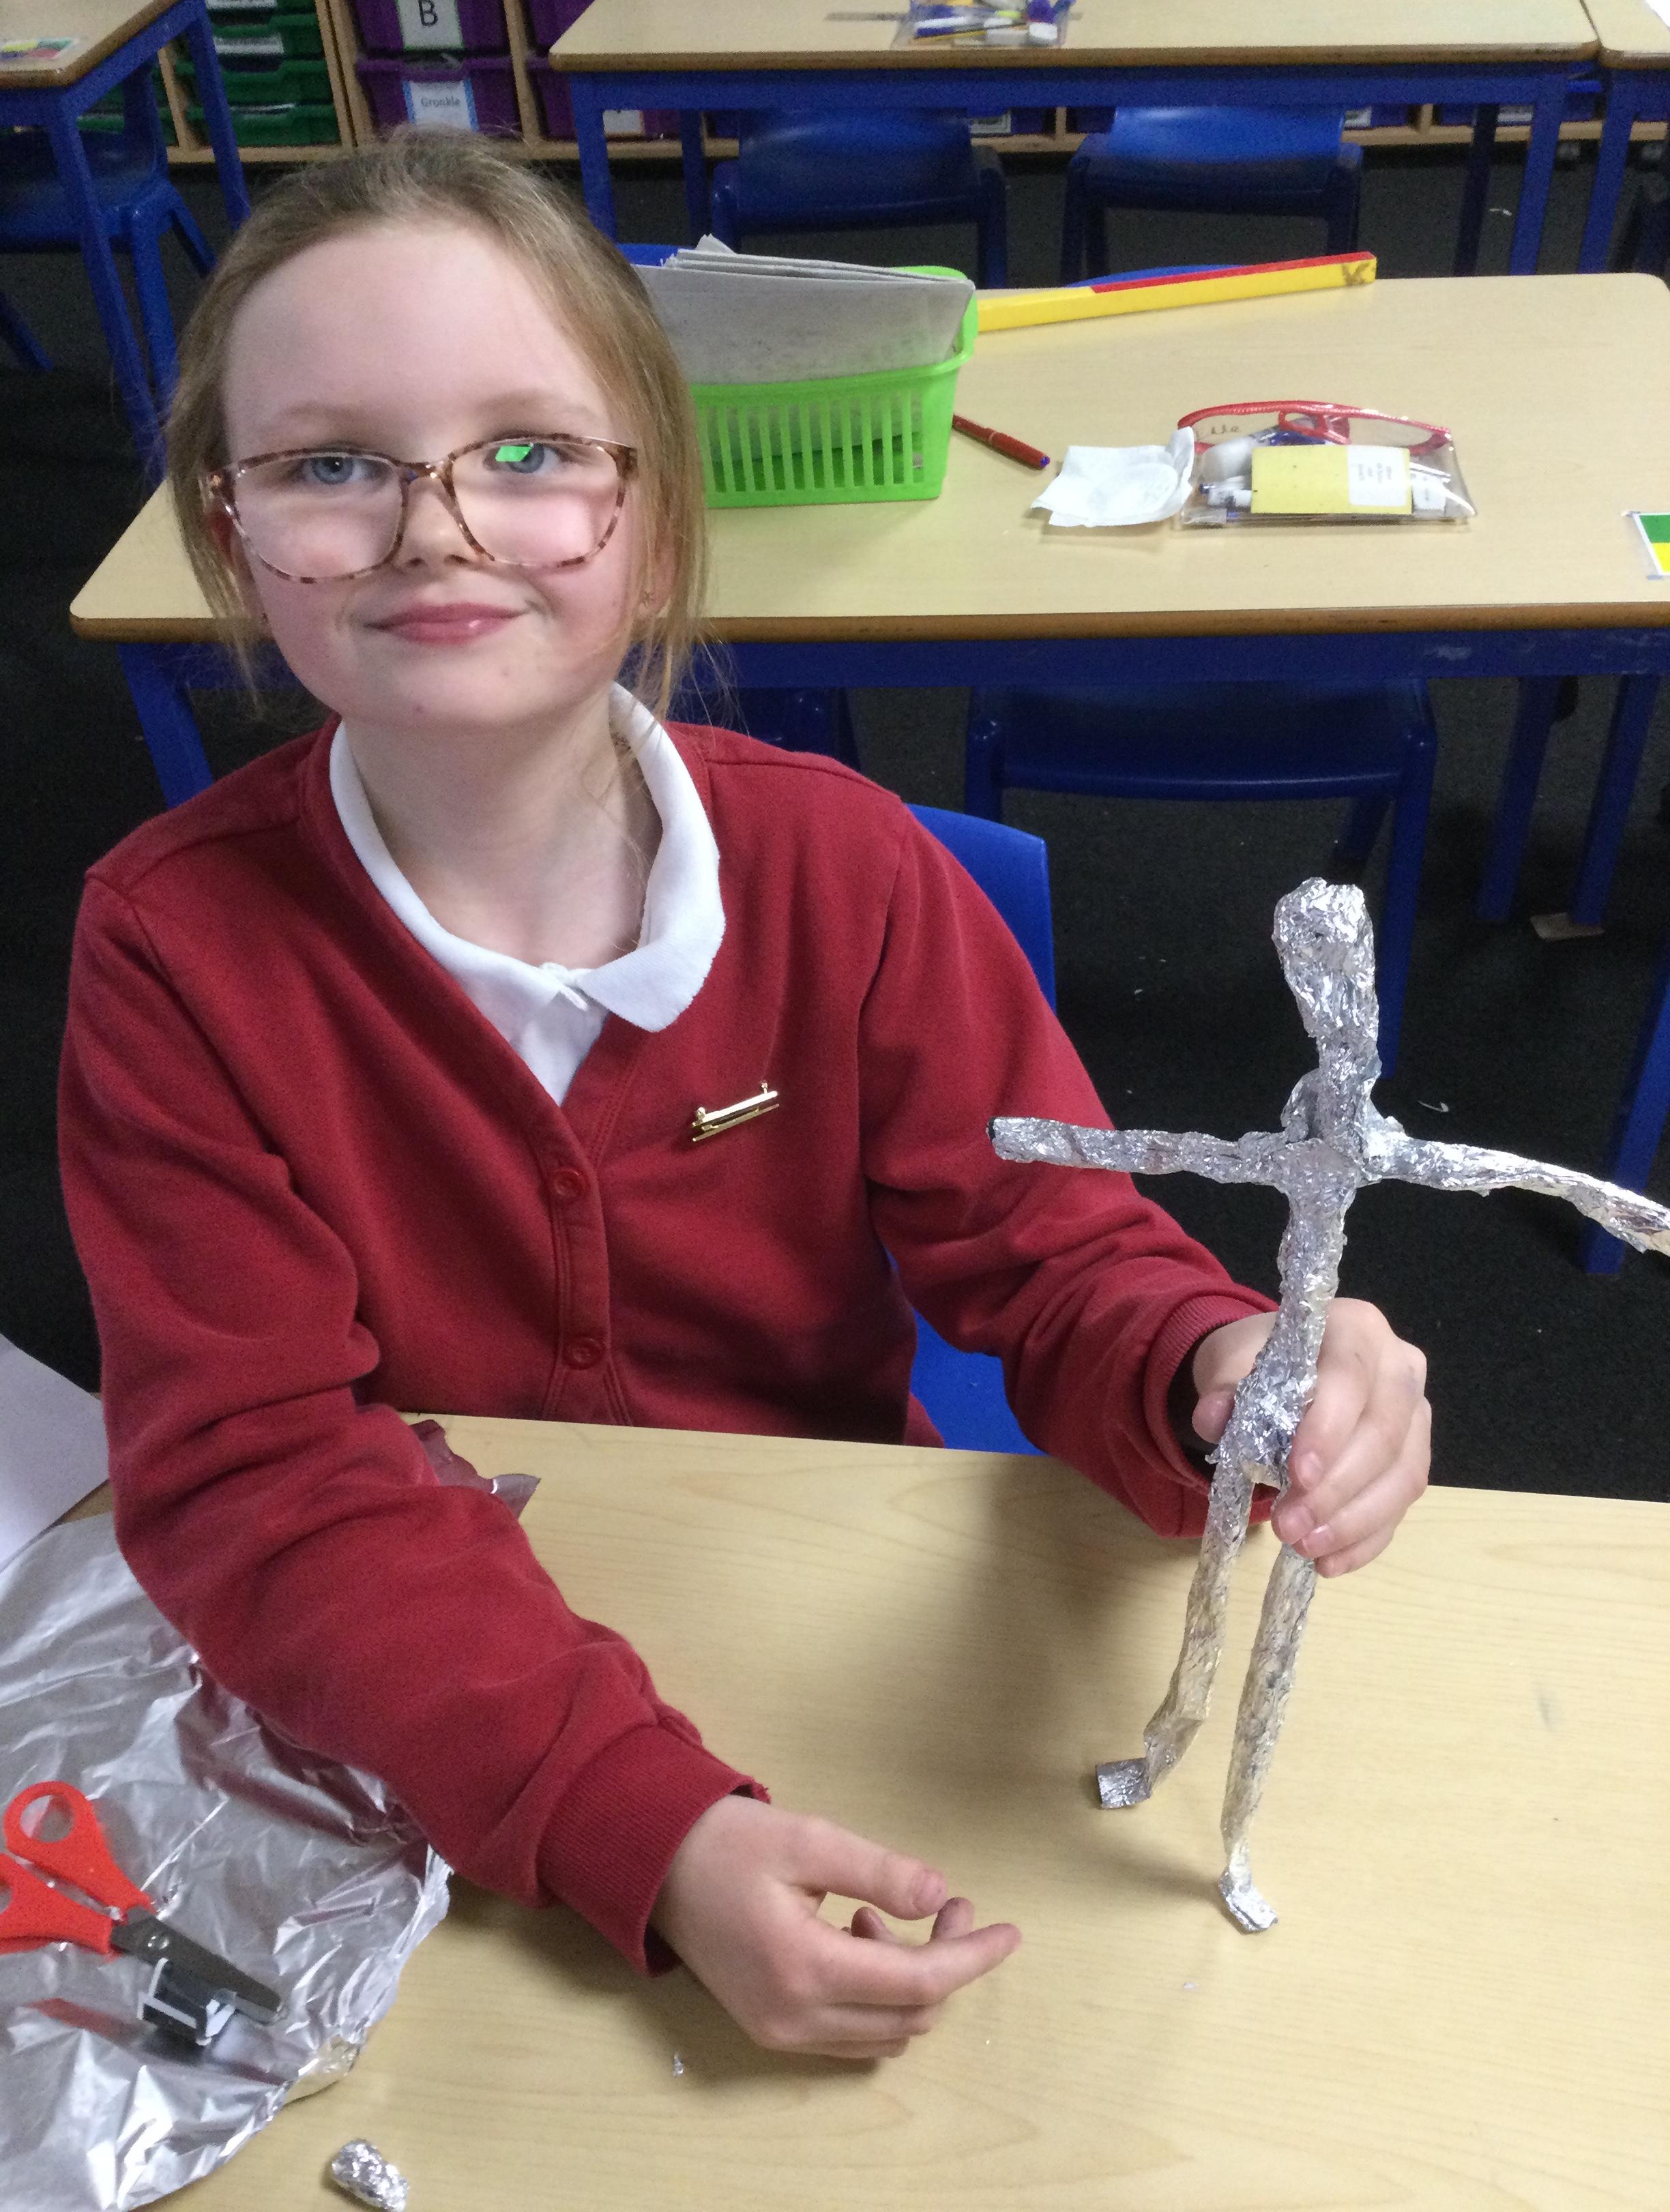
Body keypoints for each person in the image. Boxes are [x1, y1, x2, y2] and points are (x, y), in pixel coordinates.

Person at [57, 130, 1430, 2065]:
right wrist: (643, 1823)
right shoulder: (175, 948)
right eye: (332, 464)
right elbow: (252, 1471)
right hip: (425, 1717)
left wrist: (1214, 1374)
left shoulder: (849, 875)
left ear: (656, 516)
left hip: (823, 1654)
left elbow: (1056, 1260)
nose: (435, 525)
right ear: (229, 537)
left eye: (528, 449)